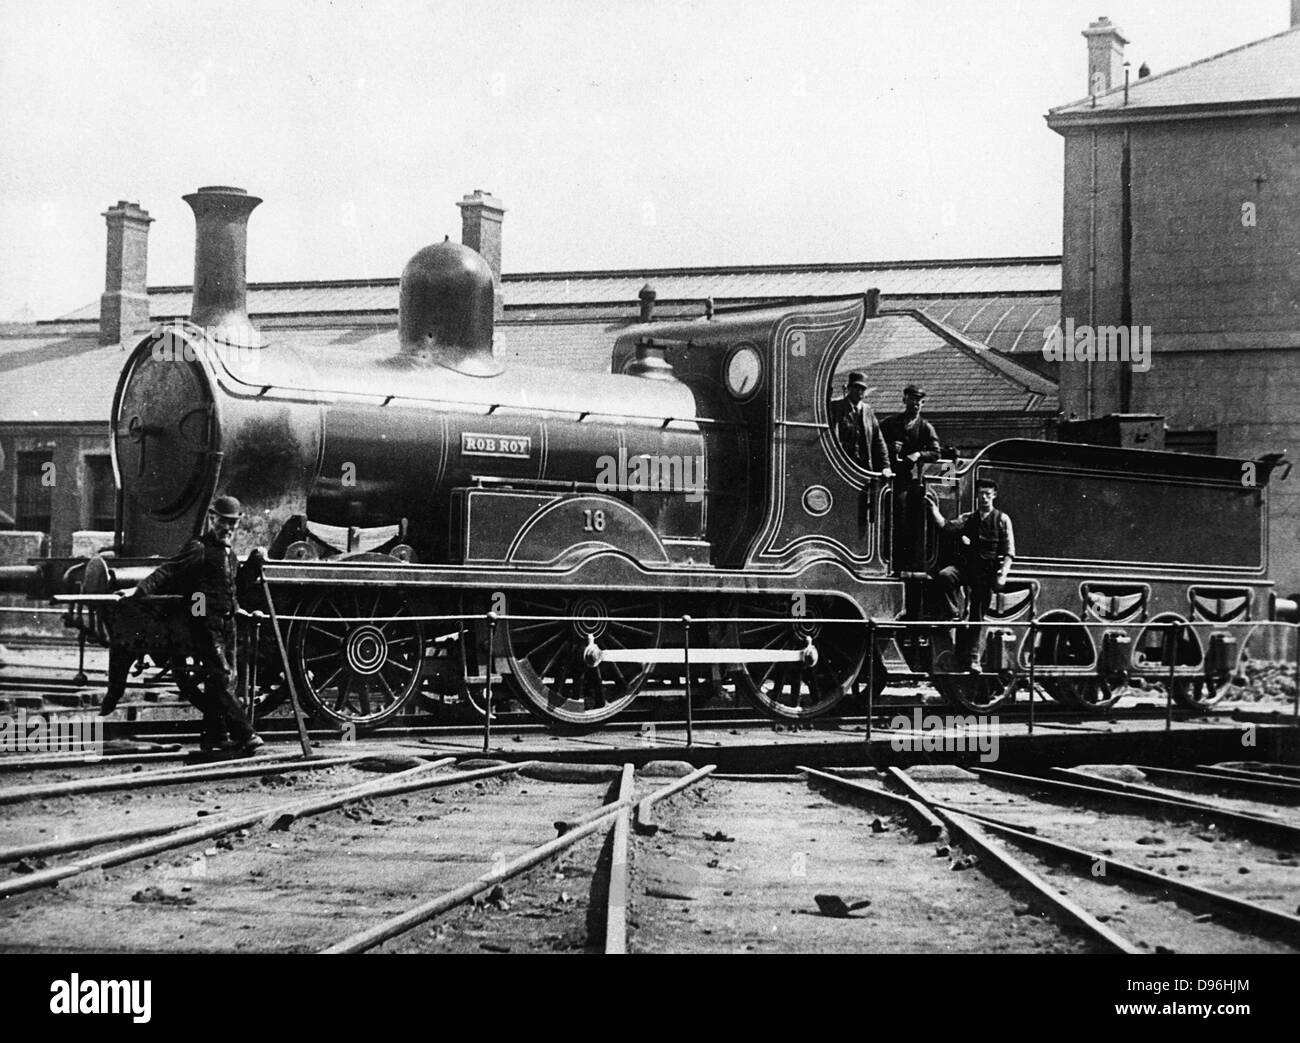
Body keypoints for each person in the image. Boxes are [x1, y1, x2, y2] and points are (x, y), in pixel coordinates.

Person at [127, 495, 264, 755]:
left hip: (228, 622)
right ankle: (247, 734)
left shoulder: (230, 555)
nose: (228, 529)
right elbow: (167, 571)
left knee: (223, 682)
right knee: (222, 679)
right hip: (205, 623)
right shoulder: (198, 548)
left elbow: (235, 587)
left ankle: (214, 738)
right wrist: (138, 591)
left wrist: (255, 564)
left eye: (233, 524)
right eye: (223, 522)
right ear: (212, 519)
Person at [928, 478, 1015, 673]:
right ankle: (954, 614)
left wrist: (1003, 575)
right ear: (977, 496)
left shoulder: (1002, 519)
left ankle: (973, 660)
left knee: (977, 617)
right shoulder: (969, 518)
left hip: (986, 575)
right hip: (967, 569)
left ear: (994, 496)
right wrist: (934, 510)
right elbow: (946, 526)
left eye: (988, 494)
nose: (984, 498)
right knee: (945, 576)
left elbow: (1009, 552)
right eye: (981, 494)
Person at [880, 384, 941, 572]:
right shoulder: (890, 423)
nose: (915, 404)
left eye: (918, 401)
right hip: (888, 476)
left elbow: (936, 453)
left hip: (909, 481)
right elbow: (876, 442)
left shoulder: (925, 428)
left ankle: (904, 561)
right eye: (911, 399)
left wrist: (918, 455)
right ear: (904, 400)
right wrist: (891, 449)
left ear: (922, 404)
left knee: (902, 510)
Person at [829, 371, 892, 536]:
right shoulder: (836, 408)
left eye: (862, 389)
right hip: (842, 469)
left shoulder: (868, 412)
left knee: (862, 512)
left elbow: (879, 442)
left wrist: (885, 466)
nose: (859, 392)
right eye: (856, 388)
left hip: (863, 471)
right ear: (848, 389)